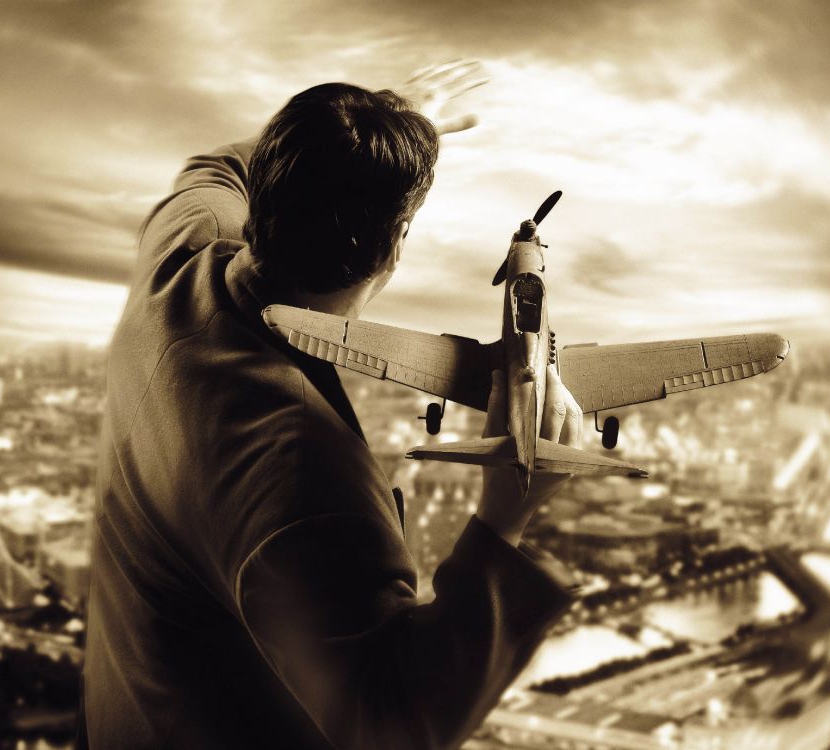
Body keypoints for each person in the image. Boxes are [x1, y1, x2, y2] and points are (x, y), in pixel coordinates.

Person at [81, 61, 588, 749]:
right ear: (397, 242)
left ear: (266, 198)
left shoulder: (181, 246)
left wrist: (389, 126)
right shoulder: (302, 474)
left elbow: (218, 163)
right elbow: (389, 725)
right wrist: (506, 514)